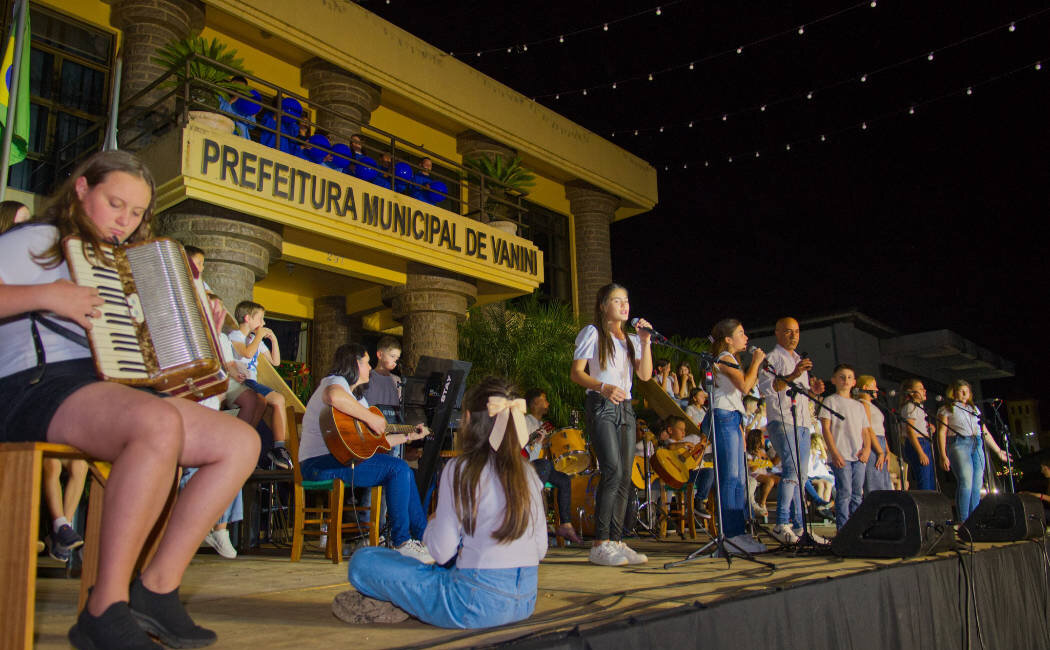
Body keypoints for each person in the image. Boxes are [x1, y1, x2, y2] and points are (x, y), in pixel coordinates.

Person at [0, 150, 259, 649]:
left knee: (239, 442)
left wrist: (197, 335)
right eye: (116, 203)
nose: (126, 220)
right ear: (81, 190)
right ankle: (104, 606)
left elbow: (152, 362)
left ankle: (156, 589)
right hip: (32, 384)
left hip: (104, 390)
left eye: (137, 212)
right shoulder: (40, 240)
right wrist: (47, 296)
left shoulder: (130, 266)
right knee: (156, 424)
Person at [342, 377, 546, 628]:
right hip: (525, 602)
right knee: (444, 569)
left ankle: (402, 602)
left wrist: (433, 523)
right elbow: (540, 549)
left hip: (473, 605)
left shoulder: (461, 469)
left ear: (468, 419)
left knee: (364, 561)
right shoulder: (528, 472)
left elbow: (441, 551)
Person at [298, 343, 432, 561]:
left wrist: (409, 436)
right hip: (317, 465)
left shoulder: (358, 399)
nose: (370, 368)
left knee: (401, 469)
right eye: (367, 362)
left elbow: (377, 442)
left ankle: (424, 538)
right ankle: (402, 542)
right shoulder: (335, 382)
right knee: (397, 469)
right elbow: (333, 396)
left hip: (339, 461)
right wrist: (369, 417)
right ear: (354, 364)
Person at [569, 282, 654, 566]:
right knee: (612, 470)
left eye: (626, 300)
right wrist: (602, 386)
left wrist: (644, 341)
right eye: (617, 301)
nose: (624, 305)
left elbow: (644, 376)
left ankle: (617, 541)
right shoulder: (592, 333)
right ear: (604, 305)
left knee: (625, 475)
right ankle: (600, 543)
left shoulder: (630, 339)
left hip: (626, 407)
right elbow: (577, 373)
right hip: (602, 403)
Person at [757, 317, 825, 545]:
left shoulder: (798, 360)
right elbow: (772, 388)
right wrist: (795, 374)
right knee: (792, 471)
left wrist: (813, 392)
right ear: (777, 333)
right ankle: (781, 523)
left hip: (803, 423)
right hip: (783, 421)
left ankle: (800, 527)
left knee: (801, 476)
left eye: (796, 331)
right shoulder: (771, 359)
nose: (794, 336)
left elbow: (800, 395)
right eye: (788, 332)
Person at [706, 318, 767, 554]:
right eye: (741, 333)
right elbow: (744, 386)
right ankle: (731, 535)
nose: (746, 337)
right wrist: (757, 361)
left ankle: (739, 533)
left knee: (739, 480)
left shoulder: (731, 359)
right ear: (728, 339)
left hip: (733, 418)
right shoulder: (724, 358)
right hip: (724, 416)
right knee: (731, 479)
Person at [229, 300, 291, 469]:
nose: (263, 323)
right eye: (260, 319)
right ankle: (273, 447)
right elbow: (248, 354)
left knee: (272, 402)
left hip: (253, 382)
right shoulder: (236, 335)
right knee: (276, 399)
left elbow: (275, 361)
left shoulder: (253, 338)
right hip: (241, 382)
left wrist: (274, 340)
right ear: (248, 318)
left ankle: (279, 447)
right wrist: (258, 336)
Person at [937, 379, 1008, 521]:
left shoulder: (974, 409)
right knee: (966, 481)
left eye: (967, 391)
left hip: (977, 442)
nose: (964, 394)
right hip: (959, 442)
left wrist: (998, 451)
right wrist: (943, 455)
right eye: (961, 391)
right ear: (954, 392)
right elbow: (941, 432)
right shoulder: (946, 409)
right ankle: (964, 520)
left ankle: (975, 519)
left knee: (977, 484)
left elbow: (984, 431)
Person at [521, 388, 582, 543]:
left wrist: (544, 444)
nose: (548, 403)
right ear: (535, 403)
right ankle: (531, 515)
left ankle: (565, 524)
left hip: (542, 469)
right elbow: (525, 457)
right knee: (546, 465)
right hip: (525, 468)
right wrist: (538, 444)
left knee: (564, 479)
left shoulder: (544, 426)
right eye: (544, 399)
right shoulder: (524, 422)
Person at [819, 364, 874, 529]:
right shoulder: (830, 401)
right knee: (845, 493)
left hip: (858, 455)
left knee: (857, 494)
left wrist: (867, 449)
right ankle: (843, 529)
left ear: (854, 381)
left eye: (849, 377)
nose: (846, 380)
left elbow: (865, 431)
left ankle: (856, 528)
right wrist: (834, 453)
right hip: (841, 455)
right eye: (842, 377)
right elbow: (826, 429)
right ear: (834, 380)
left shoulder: (858, 405)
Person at [361, 336, 405, 459]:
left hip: (393, 436)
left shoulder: (398, 381)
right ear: (380, 355)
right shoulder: (367, 378)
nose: (395, 361)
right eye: (392, 356)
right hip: (372, 434)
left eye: (397, 358)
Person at [41, 457, 89, 562]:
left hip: (61, 448)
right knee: (53, 464)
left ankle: (61, 529)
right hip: (36, 448)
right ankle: (61, 529)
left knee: (80, 464)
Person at [856, 375, 892, 494]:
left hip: (880, 442)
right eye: (874, 386)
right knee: (875, 480)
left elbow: (881, 430)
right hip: (873, 444)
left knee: (884, 481)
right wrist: (879, 451)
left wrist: (887, 450)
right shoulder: (863, 404)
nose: (877, 389)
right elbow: (869, 428)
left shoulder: (872, 405)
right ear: (866, 387)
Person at [899, 378, 936, 490]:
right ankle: (926, 505)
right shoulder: (911, 406)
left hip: (924, 442)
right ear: (911, 392)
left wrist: (929, 428)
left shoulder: (919, 407)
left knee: (930, 478)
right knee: (924, 479)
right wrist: (920, 452)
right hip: (918, 443)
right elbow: (910, 430)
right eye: (920, 388)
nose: (924, 391)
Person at [746, 428, 779, 519]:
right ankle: (762, 503)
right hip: (753, 474)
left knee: (781, 481)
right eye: (762, 438)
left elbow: (772, 464)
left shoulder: (763, 451)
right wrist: (758, 459)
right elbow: (752, 468)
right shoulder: (749, 452)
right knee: (770, 481)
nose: (764, 439)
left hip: (763, 473)